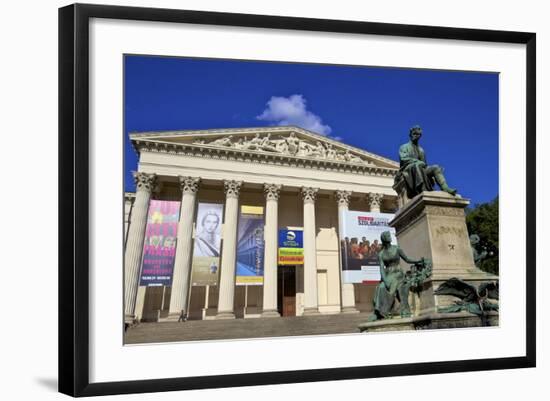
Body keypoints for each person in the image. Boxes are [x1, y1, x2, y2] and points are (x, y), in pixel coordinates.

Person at [368, 231, 425, 321]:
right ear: (384, 239)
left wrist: (417, 261)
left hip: (397, 273)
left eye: (389, 235)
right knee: (381, 287)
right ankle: (377, 312)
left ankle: (385, 311)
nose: (389, 237)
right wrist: (384, 279)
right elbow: (381, 268)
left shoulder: (397, 249)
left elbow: (407, 259)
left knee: (392, 288)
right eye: (387, 236)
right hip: (388, 274)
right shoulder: (381, 254)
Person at [397, 125, 457, 198]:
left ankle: (445, 187)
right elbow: (403, 158)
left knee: (435, 167)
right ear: (410, 135)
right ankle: (422, 188)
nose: (416, 136)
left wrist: (433, 168)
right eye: (414, 134)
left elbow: (424, 164)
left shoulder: (421, 150)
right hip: (407, 168)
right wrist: (416, 161)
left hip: (420, 168)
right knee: (417, 166)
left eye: (418, 135)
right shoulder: (404, 147)